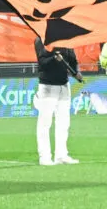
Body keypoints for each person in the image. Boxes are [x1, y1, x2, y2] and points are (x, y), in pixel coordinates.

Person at [33, 37, 80, 166]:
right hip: (48, 86)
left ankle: (61, 155)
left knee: (64, 122)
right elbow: (42, 62)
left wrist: (76, 72)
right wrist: (54, 58)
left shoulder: (66, 39)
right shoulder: (41, 40)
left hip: (64, 85)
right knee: (45, 122)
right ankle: (45, 156)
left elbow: (72, 58)